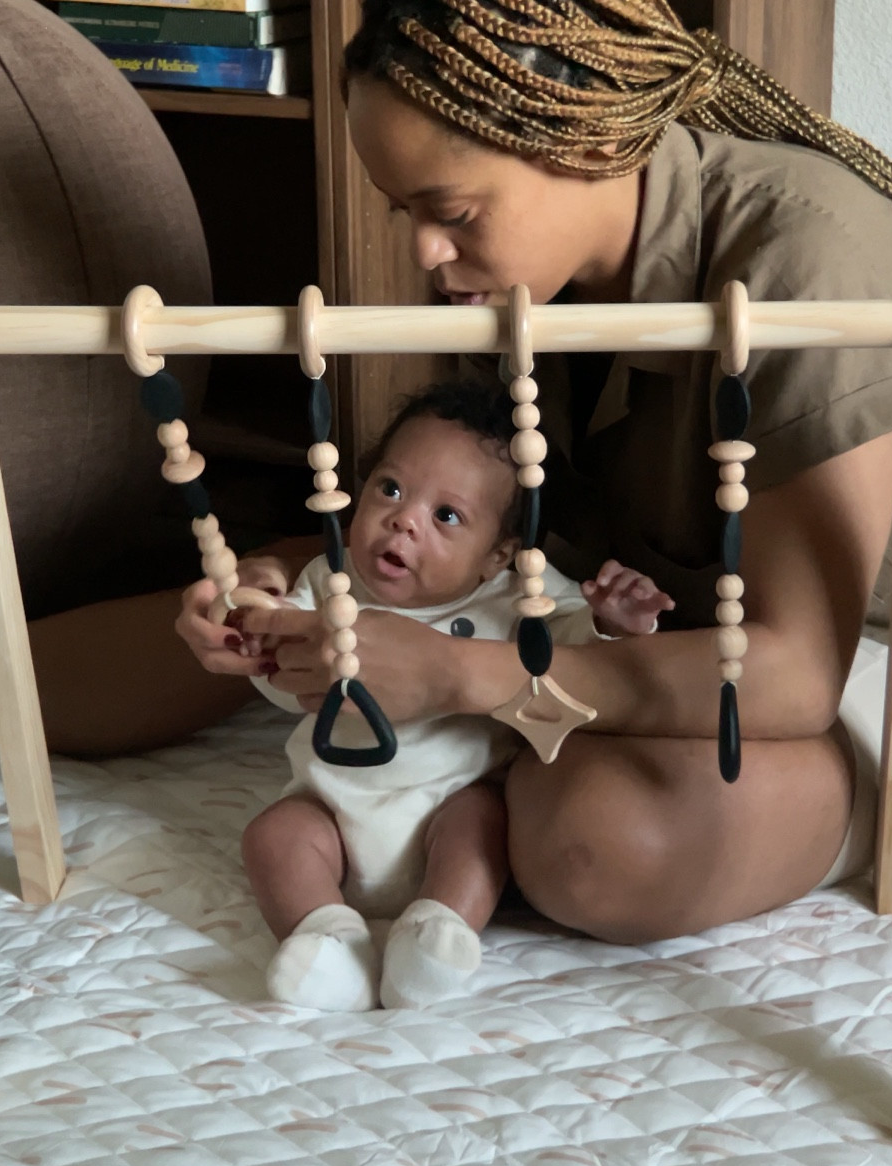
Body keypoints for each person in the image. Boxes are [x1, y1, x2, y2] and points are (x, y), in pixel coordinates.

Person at [178, 0, 892, 943]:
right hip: (632, 634)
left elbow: (801, 673)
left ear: (586, 139)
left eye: (453, 212)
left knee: (593, 841)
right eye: (404, 212)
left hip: (865, 680)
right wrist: (270, 592)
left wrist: (458, 674)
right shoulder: (540, 284)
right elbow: (504, 551)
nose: (423, 258)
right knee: (241, 604)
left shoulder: (807, 263)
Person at [237, 381, 671, 1012]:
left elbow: (578, 655)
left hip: (449, 806)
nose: (403, 519)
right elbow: (282, 675)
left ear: (497, 556)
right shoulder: (329, 583)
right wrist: (258, 622)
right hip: (330, 811)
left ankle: (438, 931)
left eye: (447, 516)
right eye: (389, 488)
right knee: (272, 836)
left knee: (485, 821)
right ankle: (325, 936)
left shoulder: (519, 594)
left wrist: (612, 620)